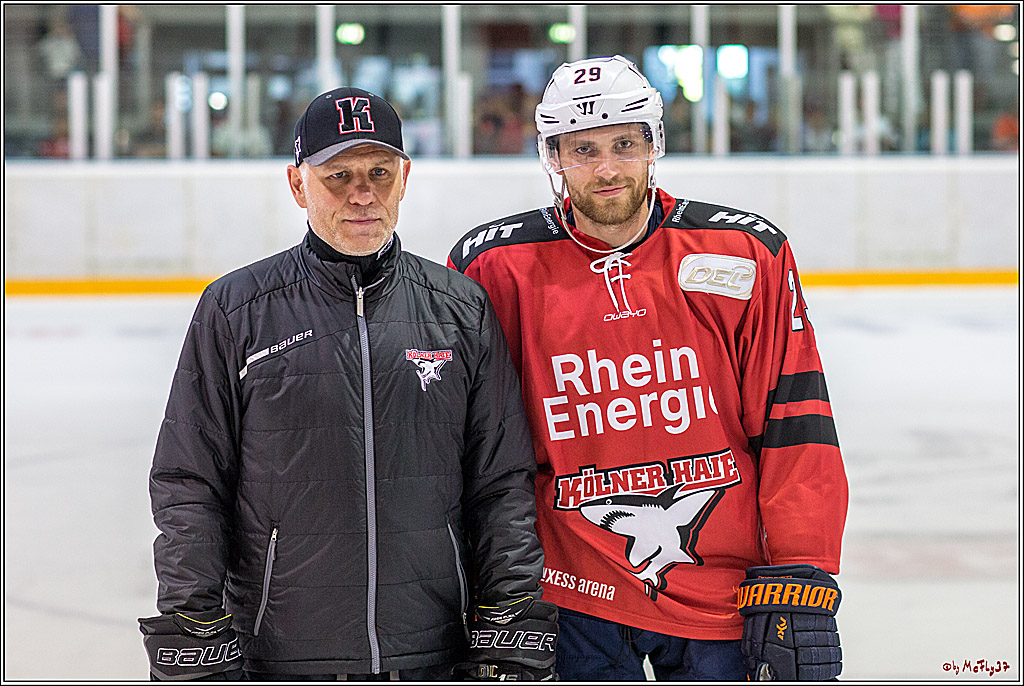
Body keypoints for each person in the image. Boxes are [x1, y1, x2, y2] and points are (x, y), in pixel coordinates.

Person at [448, 55, 848, 681]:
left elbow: (794, 420)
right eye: (583, 150)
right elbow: (472, 444)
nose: (607, 168)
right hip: (569, 591)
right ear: (553, 157)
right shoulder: (495, 267)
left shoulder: (744, 253)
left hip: (723, 592)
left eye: (624, 145)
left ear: (654, 143)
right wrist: (487, 581)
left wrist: (802, 570)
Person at [140, 87, 558, 681]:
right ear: (297, 184)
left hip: (432, 650)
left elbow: (501, 484)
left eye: (379, 173)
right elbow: (190, 483)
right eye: (338, 176)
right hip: (281, 656)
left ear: (404, 179)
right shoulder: (236, 310)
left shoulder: (460, 309)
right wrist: (195, 630)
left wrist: (509, 626)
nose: (362, 194)